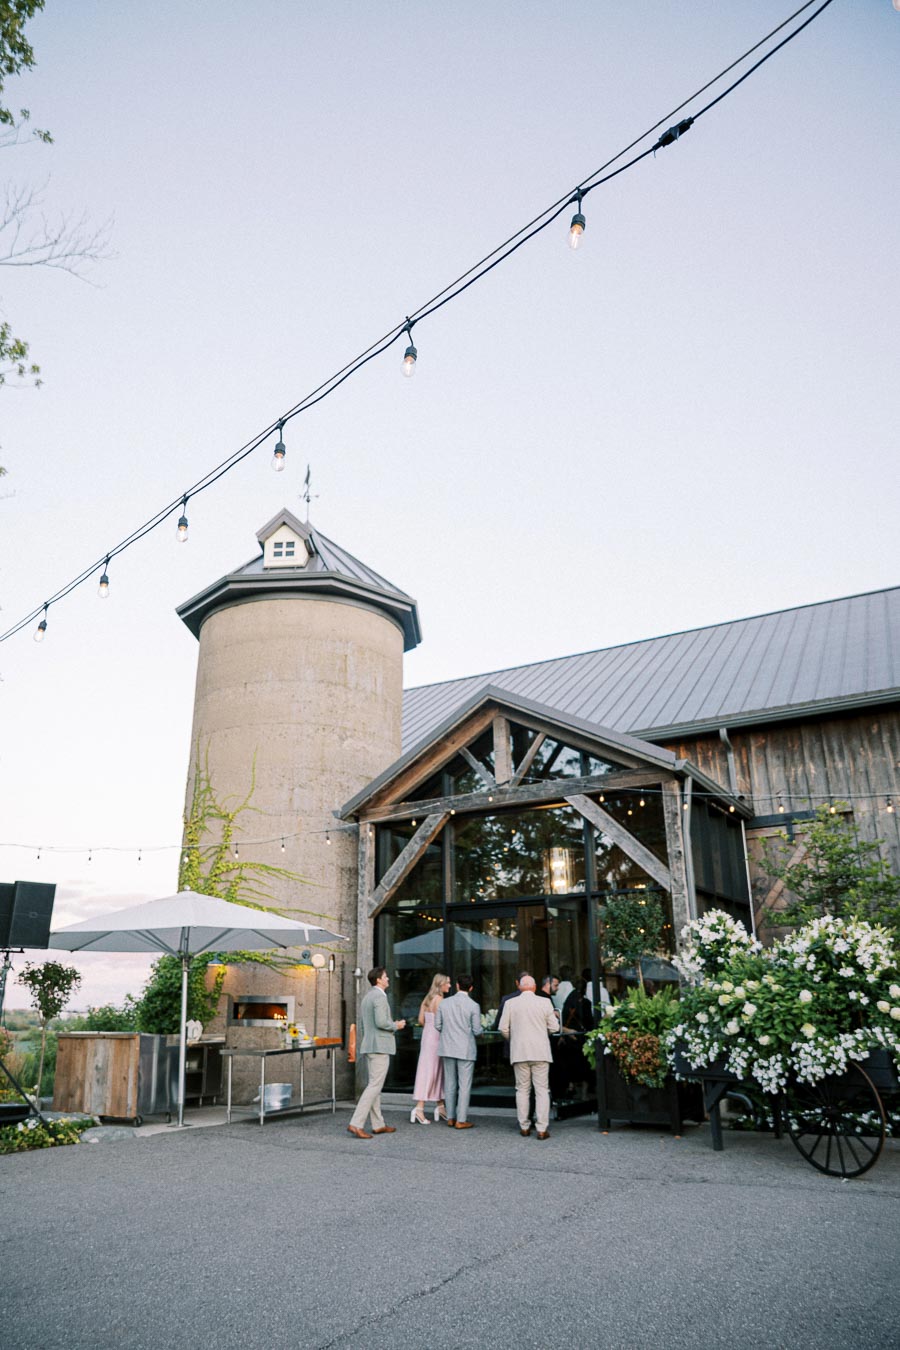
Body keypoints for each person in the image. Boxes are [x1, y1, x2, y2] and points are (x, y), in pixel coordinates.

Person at [347, 967, 405, 1139]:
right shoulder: (379, 997)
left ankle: (378, 1124)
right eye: (386, 976)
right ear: (379, 980)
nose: (388, 979)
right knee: (374, 1086)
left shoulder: (367, 997)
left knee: (374, 1085)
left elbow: (366, 1025)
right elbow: (381, 1022)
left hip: (370, 1045)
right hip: (380, 1047)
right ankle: (356, 1124)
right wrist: (396, 1025)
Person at [498, 974, 559, 1139]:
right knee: (542, 1090)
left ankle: (524, 1126)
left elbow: (503, 1028)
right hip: (540, 1051)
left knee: (522, 1089)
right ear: (534, 987)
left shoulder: (510, 1003)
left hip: (519, 1052)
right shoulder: (544, 1002)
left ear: (520, 987)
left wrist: (514, 1039)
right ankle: (542, 1128)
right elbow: (554, 1028)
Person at [434, 972, 481, 1129]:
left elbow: (437, 1025)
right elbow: (476, 1030)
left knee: (449, 1083)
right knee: (464, 1085)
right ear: (471, 988)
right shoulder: (474, 1005)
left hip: (447, 1047)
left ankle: (450, 1116)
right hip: (466, 1049)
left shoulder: (444, 1004)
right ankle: (461, 1119)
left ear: (457, 985)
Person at [410, 972, 450, 1125]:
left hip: (427, 1037)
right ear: (441, 984)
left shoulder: (427, 999)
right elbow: (443, 1022)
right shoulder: (440, 1000)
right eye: (448, 982)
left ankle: (440, 1106)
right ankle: (419, 1108)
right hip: (436, 1038)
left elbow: (421, 1020)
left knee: (433, 1070)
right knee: (431, 1072)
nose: (450, 985)